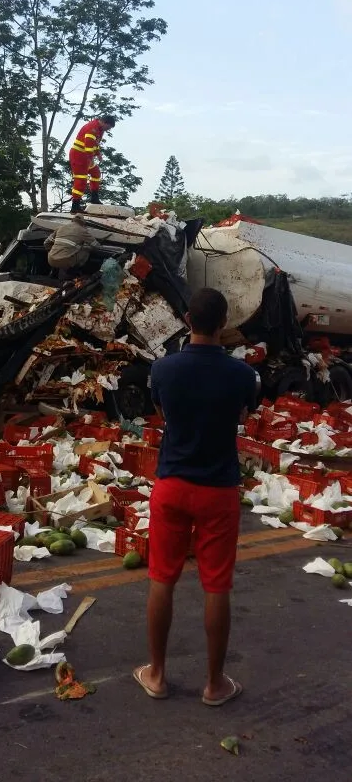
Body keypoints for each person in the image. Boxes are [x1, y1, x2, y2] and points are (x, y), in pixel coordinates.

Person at [133, 287, 258, 706]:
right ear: (224, 324)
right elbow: (243, 416)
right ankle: (214, 683)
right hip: (218, 489)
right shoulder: (242, 375)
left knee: (161, 579)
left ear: (188, 320)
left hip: (172, 485)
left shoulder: (163, 369)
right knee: (216, 586)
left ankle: (156, 674)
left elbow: (163, 413)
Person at [69, 114, 116, 214]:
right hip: (79, 156)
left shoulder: (100, 129)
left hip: (86, 157)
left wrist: (98, 154)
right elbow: (89, 145)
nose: (108, 130)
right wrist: (91, 158)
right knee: (81, 181)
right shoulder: (92, 128)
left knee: (96, 173)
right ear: (104, 122)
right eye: (108, 127)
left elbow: (95, 143)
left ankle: (94, 198)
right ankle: (75, 206)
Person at [44, 215, 101, 279]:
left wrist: (52, 252)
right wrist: (85, 246)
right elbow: (97, 246)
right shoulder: (83, 231)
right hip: (66, 262)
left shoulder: (60, 228)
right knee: (86, 251)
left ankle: (54, 272)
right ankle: (74, 271)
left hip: (51, 260)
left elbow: (46, 243)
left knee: (58, 253)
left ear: (72, 220)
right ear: (82, 223)